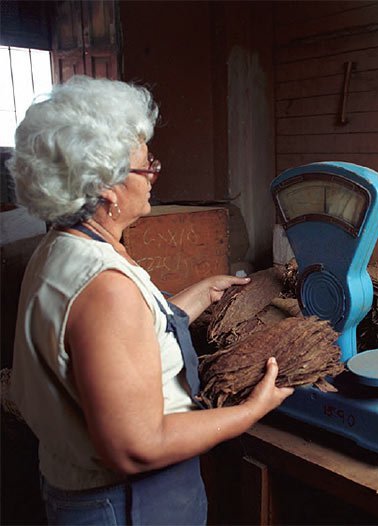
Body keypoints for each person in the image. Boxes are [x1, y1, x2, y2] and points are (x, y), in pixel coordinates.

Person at [8, 75, 293, 525]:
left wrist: (191, 299)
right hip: (127, 504)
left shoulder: (62, 248)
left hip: (82, 489)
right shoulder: (105, 288)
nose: (155, 175)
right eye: (146, 167)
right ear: (106, 189)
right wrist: (250, 412)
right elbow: (137, 448)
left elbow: (108, 345)